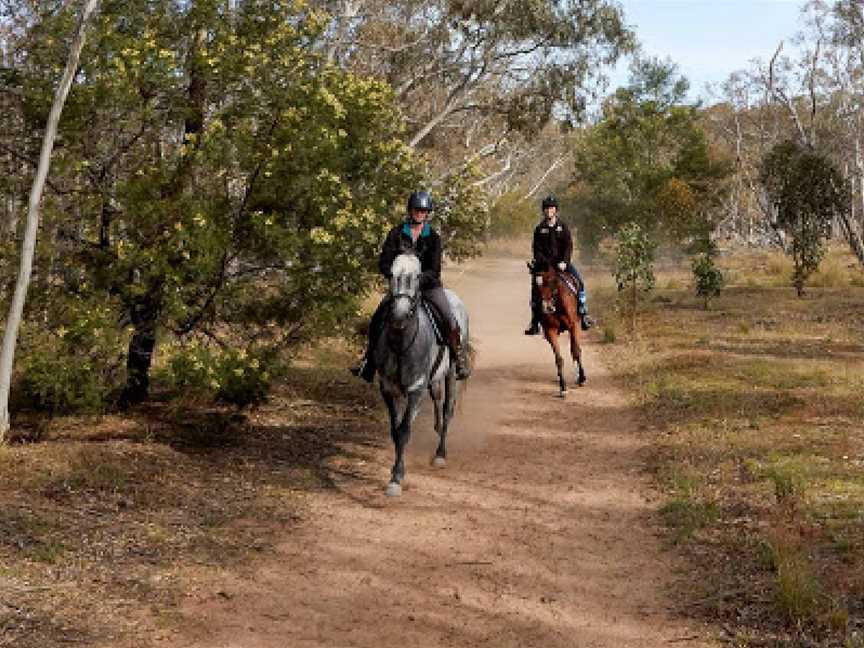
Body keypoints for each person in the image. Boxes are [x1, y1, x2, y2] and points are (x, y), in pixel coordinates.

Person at [350, 190, 471, 383]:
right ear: (410, 210)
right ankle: (368, 361)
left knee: (448, 317)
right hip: (401, 288)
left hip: (428, 287)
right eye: (416, 210)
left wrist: (418, 279)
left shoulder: (433, 237)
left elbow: (435, 269)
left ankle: (459, 358)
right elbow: (384, 262)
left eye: (423, 210)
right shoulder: (396, 233)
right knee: (377, 318)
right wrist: (394, 275)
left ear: (427, 213)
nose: (419, 213)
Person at [524, 194, 593, 335]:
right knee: (536, 288)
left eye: (552, 208)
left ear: (556, 210)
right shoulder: (539, 229)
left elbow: (568, 246)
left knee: (579, 281)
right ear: (544, 211)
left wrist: (564, 262)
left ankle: (584, 314)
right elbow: (536, 250)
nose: (549, 211)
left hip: (562, 264)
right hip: (544, 266)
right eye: (547, 209)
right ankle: (535, 321)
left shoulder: (563, 227)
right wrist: (544, 263)